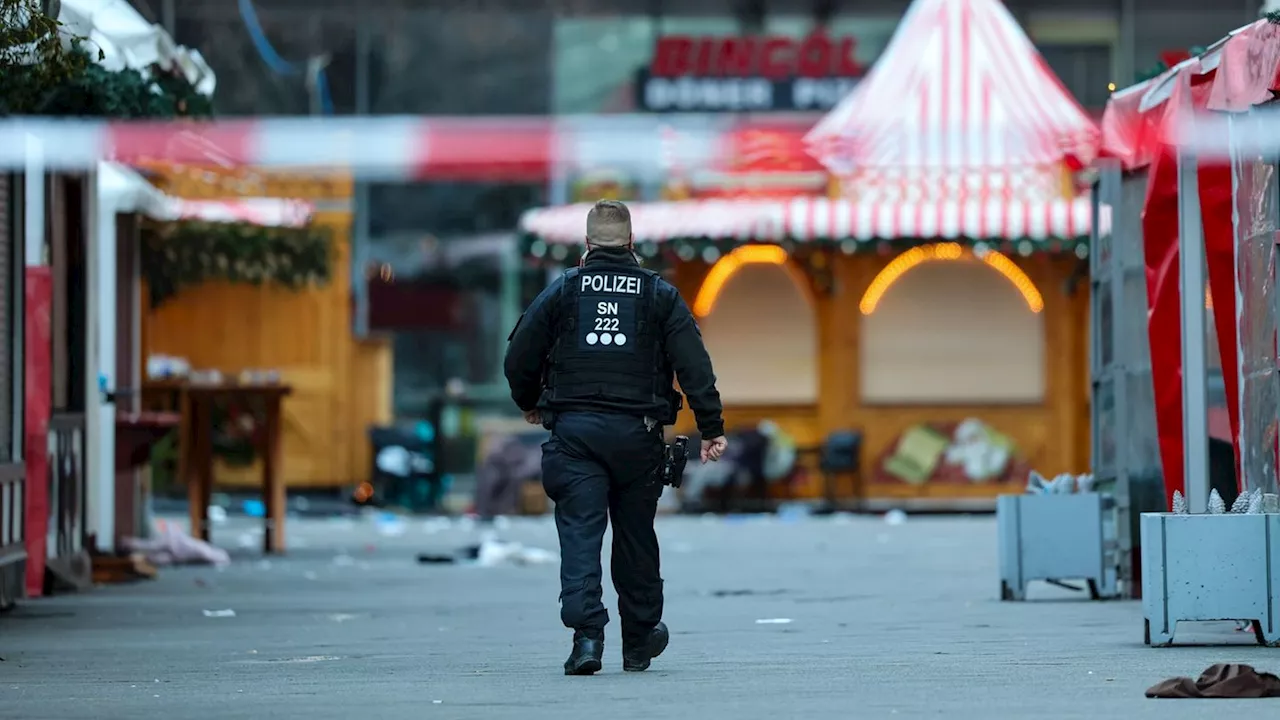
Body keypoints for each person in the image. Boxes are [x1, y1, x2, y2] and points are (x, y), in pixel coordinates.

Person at [504, 199, 728, 676]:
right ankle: (639, 639)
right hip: (638, 436)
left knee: (581, 533)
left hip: (575, 434)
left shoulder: (563, 290)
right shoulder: (658, 294)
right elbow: (694, 364)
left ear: (586, 245)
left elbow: (520, 353)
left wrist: (530, 401)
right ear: (630, 243)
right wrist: (711, 427)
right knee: (635, 537)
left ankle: (586, 638)